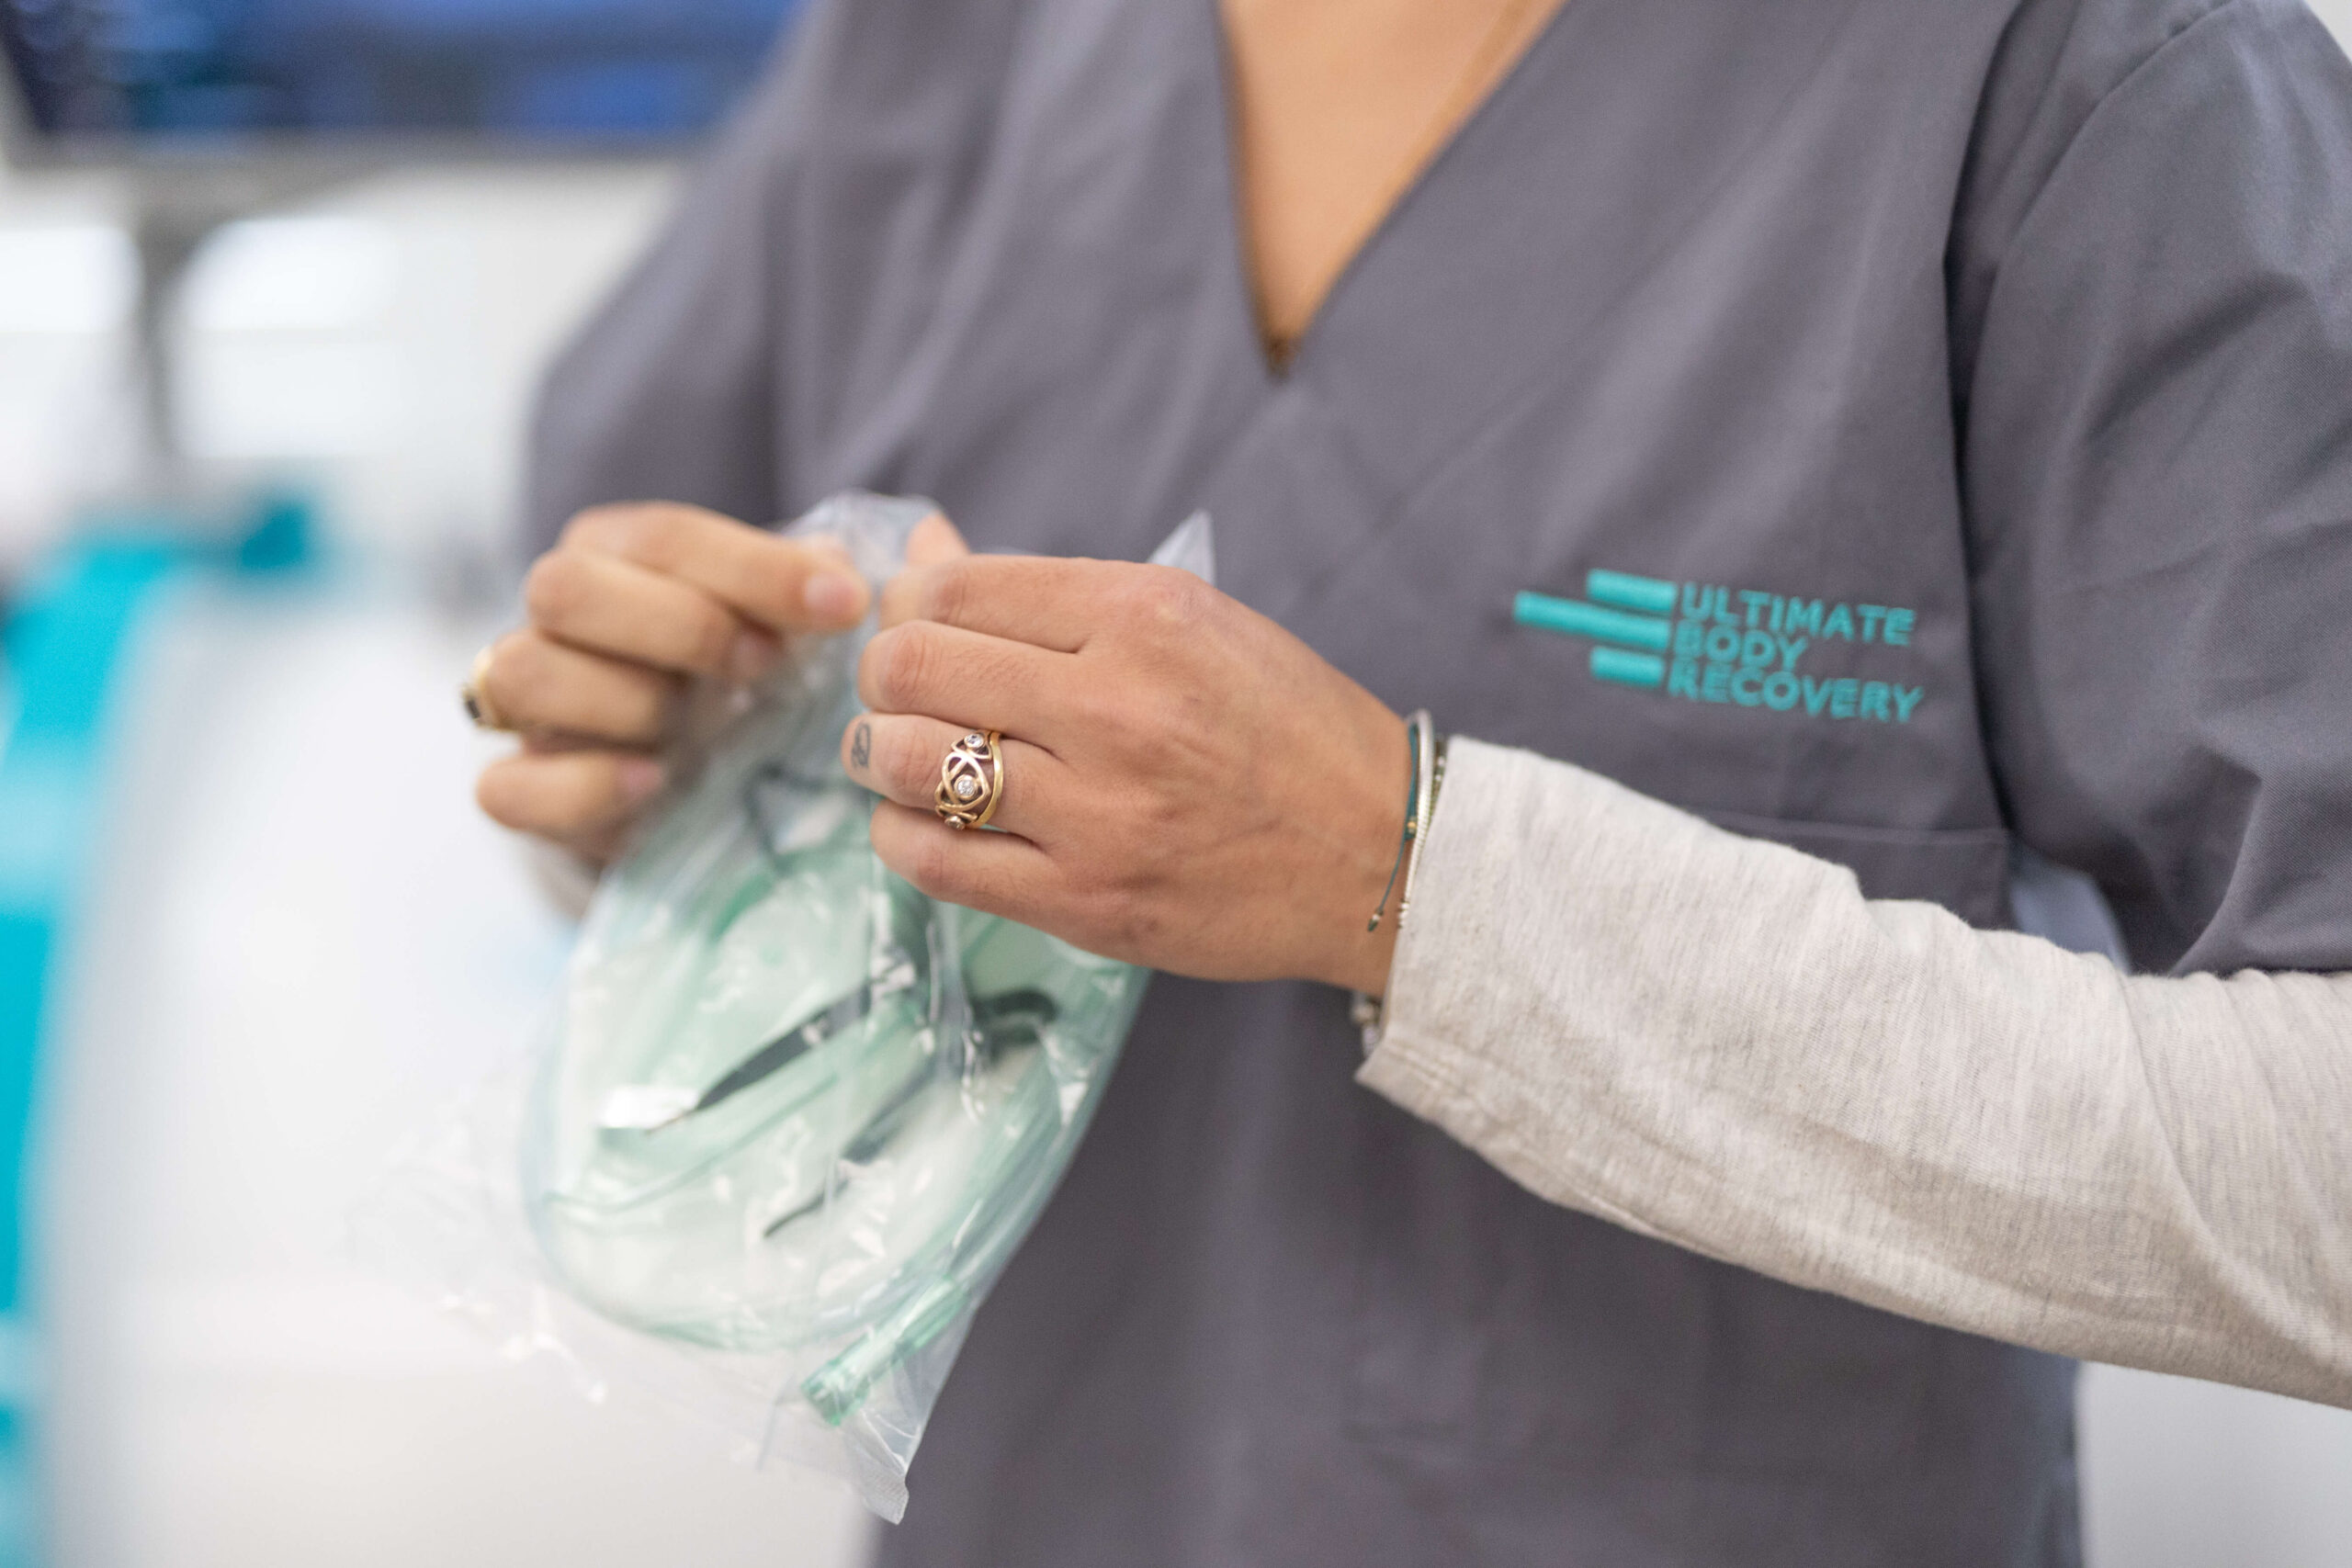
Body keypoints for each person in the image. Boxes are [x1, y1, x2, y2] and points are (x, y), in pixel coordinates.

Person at [464, 0, 2352, 1561]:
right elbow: (655, 777)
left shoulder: (2081, 84)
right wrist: (697, 785)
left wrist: (1414, 881)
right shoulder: (941, 50)